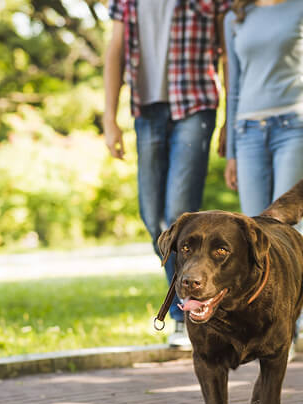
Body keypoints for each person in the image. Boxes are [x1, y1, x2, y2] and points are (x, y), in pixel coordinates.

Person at [104, 0, 231, 347]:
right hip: (146, 109)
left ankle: (185, 315)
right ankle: (193, 305)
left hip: (196, 104)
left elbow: (227, 54)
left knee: (178, 215)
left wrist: (230, 120)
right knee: (153, 219)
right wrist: (109, 117)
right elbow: (114, 51)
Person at [223, 0, 303, 342]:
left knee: (285, 224)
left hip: (294, 126)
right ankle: (291, 300)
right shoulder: (235, 16)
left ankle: (286, 327)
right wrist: (231, 151)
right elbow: (233, 89)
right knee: (250, 232)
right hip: (247, 133)